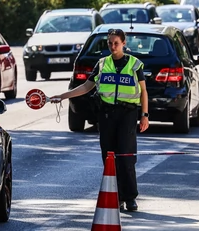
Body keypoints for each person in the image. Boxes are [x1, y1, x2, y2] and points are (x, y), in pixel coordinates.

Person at [50, 28, 149, 212]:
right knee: (109, 157)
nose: (112, 46)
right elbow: (87, 86)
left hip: (127, 114)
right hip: (106, 115)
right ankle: (116, 196)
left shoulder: (135, 64)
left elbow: (144, 92)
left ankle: (130, 197)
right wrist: (62, 96)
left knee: (126, 156)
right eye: (110, 43)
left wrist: (144, 116)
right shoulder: (103, 64)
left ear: (124, 43)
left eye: (116, 43)